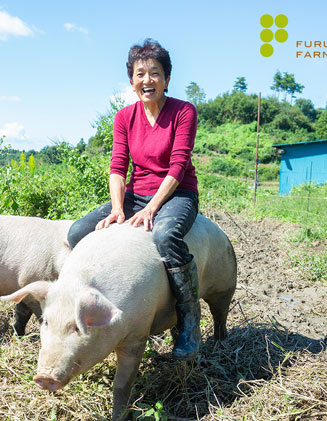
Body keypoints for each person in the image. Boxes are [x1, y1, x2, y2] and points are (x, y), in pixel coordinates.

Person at [67, 39, 201, 361]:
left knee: (165, 235)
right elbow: (117, 166)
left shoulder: (183, 111)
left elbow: (179, 165)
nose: (147, 80)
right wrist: (117, 208)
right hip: (135, 193)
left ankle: (188, 322)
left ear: (167, 79)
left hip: (177, 193)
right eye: (140, 74)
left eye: (155, 73)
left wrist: (153, 207)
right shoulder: (124, 117)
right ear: (131, 82)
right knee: (75, 233)